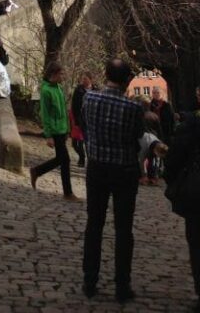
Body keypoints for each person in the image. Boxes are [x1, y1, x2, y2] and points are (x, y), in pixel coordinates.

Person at [81, 59, 144, 303]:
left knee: (94, 224)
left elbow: (86, 126)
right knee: (123, 229)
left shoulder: (90, 98)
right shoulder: (133, 108)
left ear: (106, 74)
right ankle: (122, 285)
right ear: (127, 79)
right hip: (124, 171)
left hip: (97, 167)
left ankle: (89, 279)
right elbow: (138, 135)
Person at [164, 102, 200, 311]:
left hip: (196, 192)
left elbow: (174, 157)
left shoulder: (193, 123)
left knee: (196, 240)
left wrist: (174, 181)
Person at [30, 62, 78, 201]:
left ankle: (37, 171)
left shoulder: (59, 88)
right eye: (61, 74)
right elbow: (45, 114)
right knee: (65, 160)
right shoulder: (46, 91)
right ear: (54, 74)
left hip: (62, 129)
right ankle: (68, 193)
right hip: (55, 130)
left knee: (61, 159)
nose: (63, 76)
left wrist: (68, 129)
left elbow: (64, 110)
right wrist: (48, 135)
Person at [70, 72, 93, 168]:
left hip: (90, 120)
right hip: (79, 118)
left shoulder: (95, 90)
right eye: (83, 79)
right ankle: (82, 156)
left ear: (90, 79)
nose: (84, 81)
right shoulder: (78, 90)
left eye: (86, 79)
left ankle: (87, 161)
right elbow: (74, 105)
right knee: (75, 143)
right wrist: (74, 120)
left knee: (86, 142)